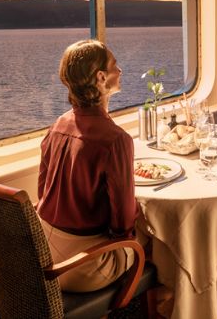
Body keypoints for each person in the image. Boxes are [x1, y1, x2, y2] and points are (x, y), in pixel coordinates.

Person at [36, 39, 141, 292]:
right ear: (101, 77)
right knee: (159, 236)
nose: (121, 71)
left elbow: (42, 191)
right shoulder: (115, 139)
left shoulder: (58, 125)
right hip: (81, 266)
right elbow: (122, 224)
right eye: (116, 66)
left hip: (42, 256)